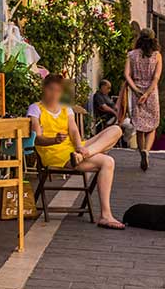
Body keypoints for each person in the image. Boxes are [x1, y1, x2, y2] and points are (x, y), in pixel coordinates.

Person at [27, 74, 125, 229]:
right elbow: (37, 139)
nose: (54, 94)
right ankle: (106, 215)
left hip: (75, 150)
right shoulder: (36, 109)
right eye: (51, 89)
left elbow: (73, 130)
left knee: (116, 130)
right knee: (108, 161)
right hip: (55, 153)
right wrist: (54, 140)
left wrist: (80, 147)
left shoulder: (65, 108)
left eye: (58, 91)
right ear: (43, 89)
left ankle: (85, 153)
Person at [125, 29, 162, 171]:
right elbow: (156, 77)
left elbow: (127, 75)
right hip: (151, 93)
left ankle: (141, 152)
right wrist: (147, 93)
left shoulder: (131, 55)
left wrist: (135, 89)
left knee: (139, 126)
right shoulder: (157, 56)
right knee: (152, 125)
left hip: (136, 91)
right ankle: (147, 150)